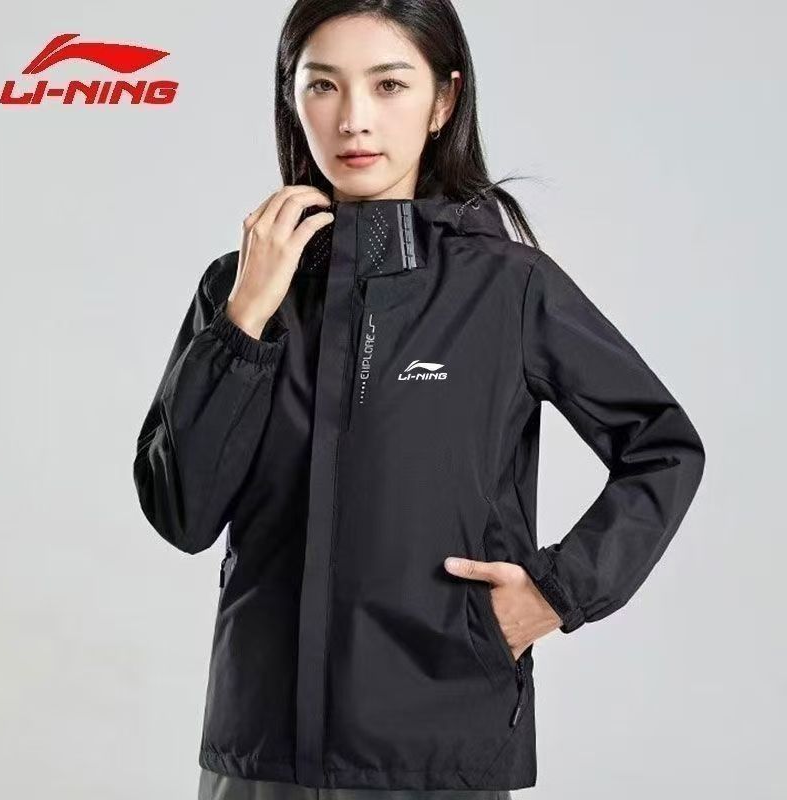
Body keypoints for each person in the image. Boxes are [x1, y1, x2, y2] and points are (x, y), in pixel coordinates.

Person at [132, 2, 706, 798]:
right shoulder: (239, 290)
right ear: (292, 100)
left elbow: (663, 447)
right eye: (323, 85)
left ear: (443, 101)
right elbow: (181, 514)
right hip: (258, 755)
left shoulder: (506, 288)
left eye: (389, 84)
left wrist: (558, 592)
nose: (354, 119)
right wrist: (244, 319)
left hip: (437, 749)